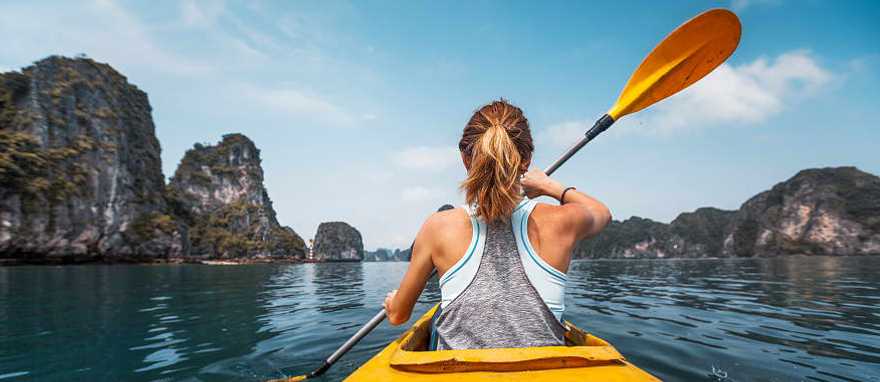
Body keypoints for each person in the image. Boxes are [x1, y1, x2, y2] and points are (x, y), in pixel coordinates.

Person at [382, 99, 611, 350]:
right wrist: (549, 186)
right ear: (527, 159)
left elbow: (398, 316)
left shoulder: (438, 227)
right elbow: (601, 212)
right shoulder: (561, 222)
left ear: (465, 158)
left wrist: (394, 302)